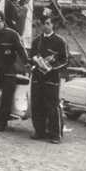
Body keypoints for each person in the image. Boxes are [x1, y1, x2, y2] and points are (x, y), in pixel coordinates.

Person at [28, 16, 69, 144]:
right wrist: (34, 62)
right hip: (37, 78)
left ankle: (55, 134)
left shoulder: (60, 41)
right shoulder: (36, 41)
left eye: (47, 24)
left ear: (53, 26)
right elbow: (30, 57)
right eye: (43, 23)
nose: (45, 26)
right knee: (37, 104)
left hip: (51, 79)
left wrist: (52, 67)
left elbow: (65, 61)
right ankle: (39, 131)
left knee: (52, 106)